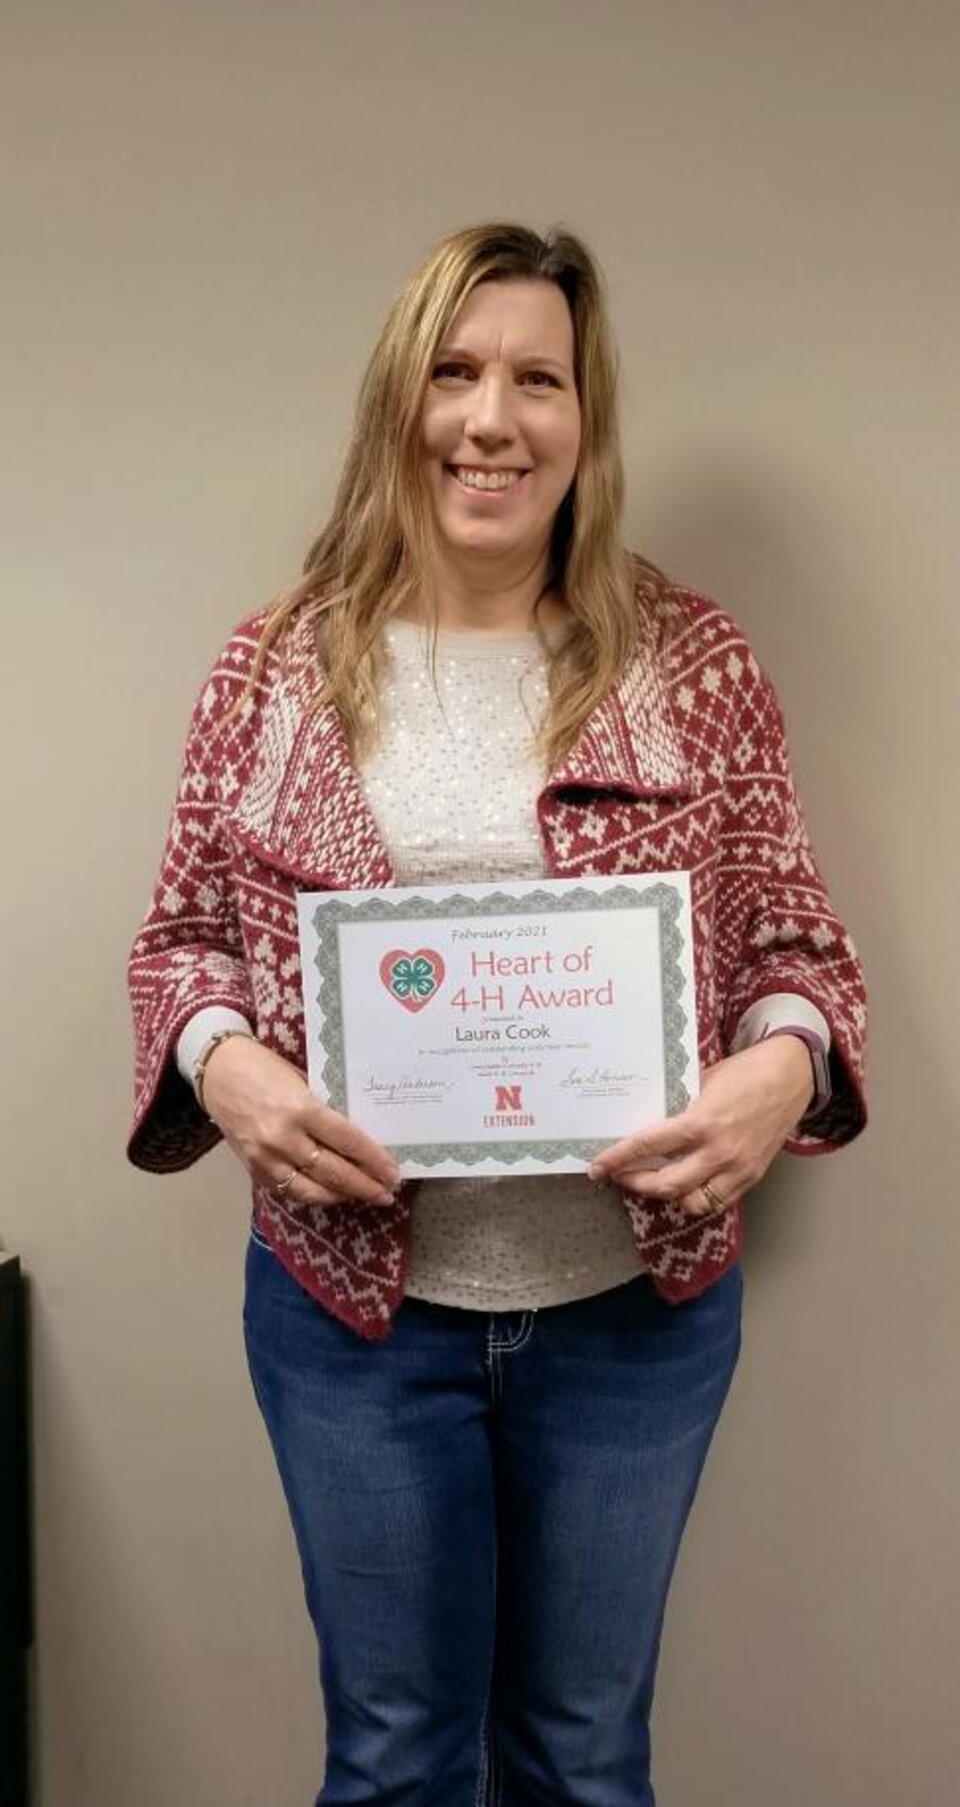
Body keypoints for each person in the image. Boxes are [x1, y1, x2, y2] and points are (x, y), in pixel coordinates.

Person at [127, 222, 867, 1807]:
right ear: (400, 402)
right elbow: (184, 941)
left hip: (630, 1317)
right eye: (455, 373)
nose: (492, 417)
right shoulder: (271, 671)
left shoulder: (695, 660)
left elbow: (798, 941)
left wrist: (776, 1074)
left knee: (586, 1758)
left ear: (585, 421)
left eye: (539, 378)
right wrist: (230, 1067)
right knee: (395, 1759)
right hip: (352, 1322)